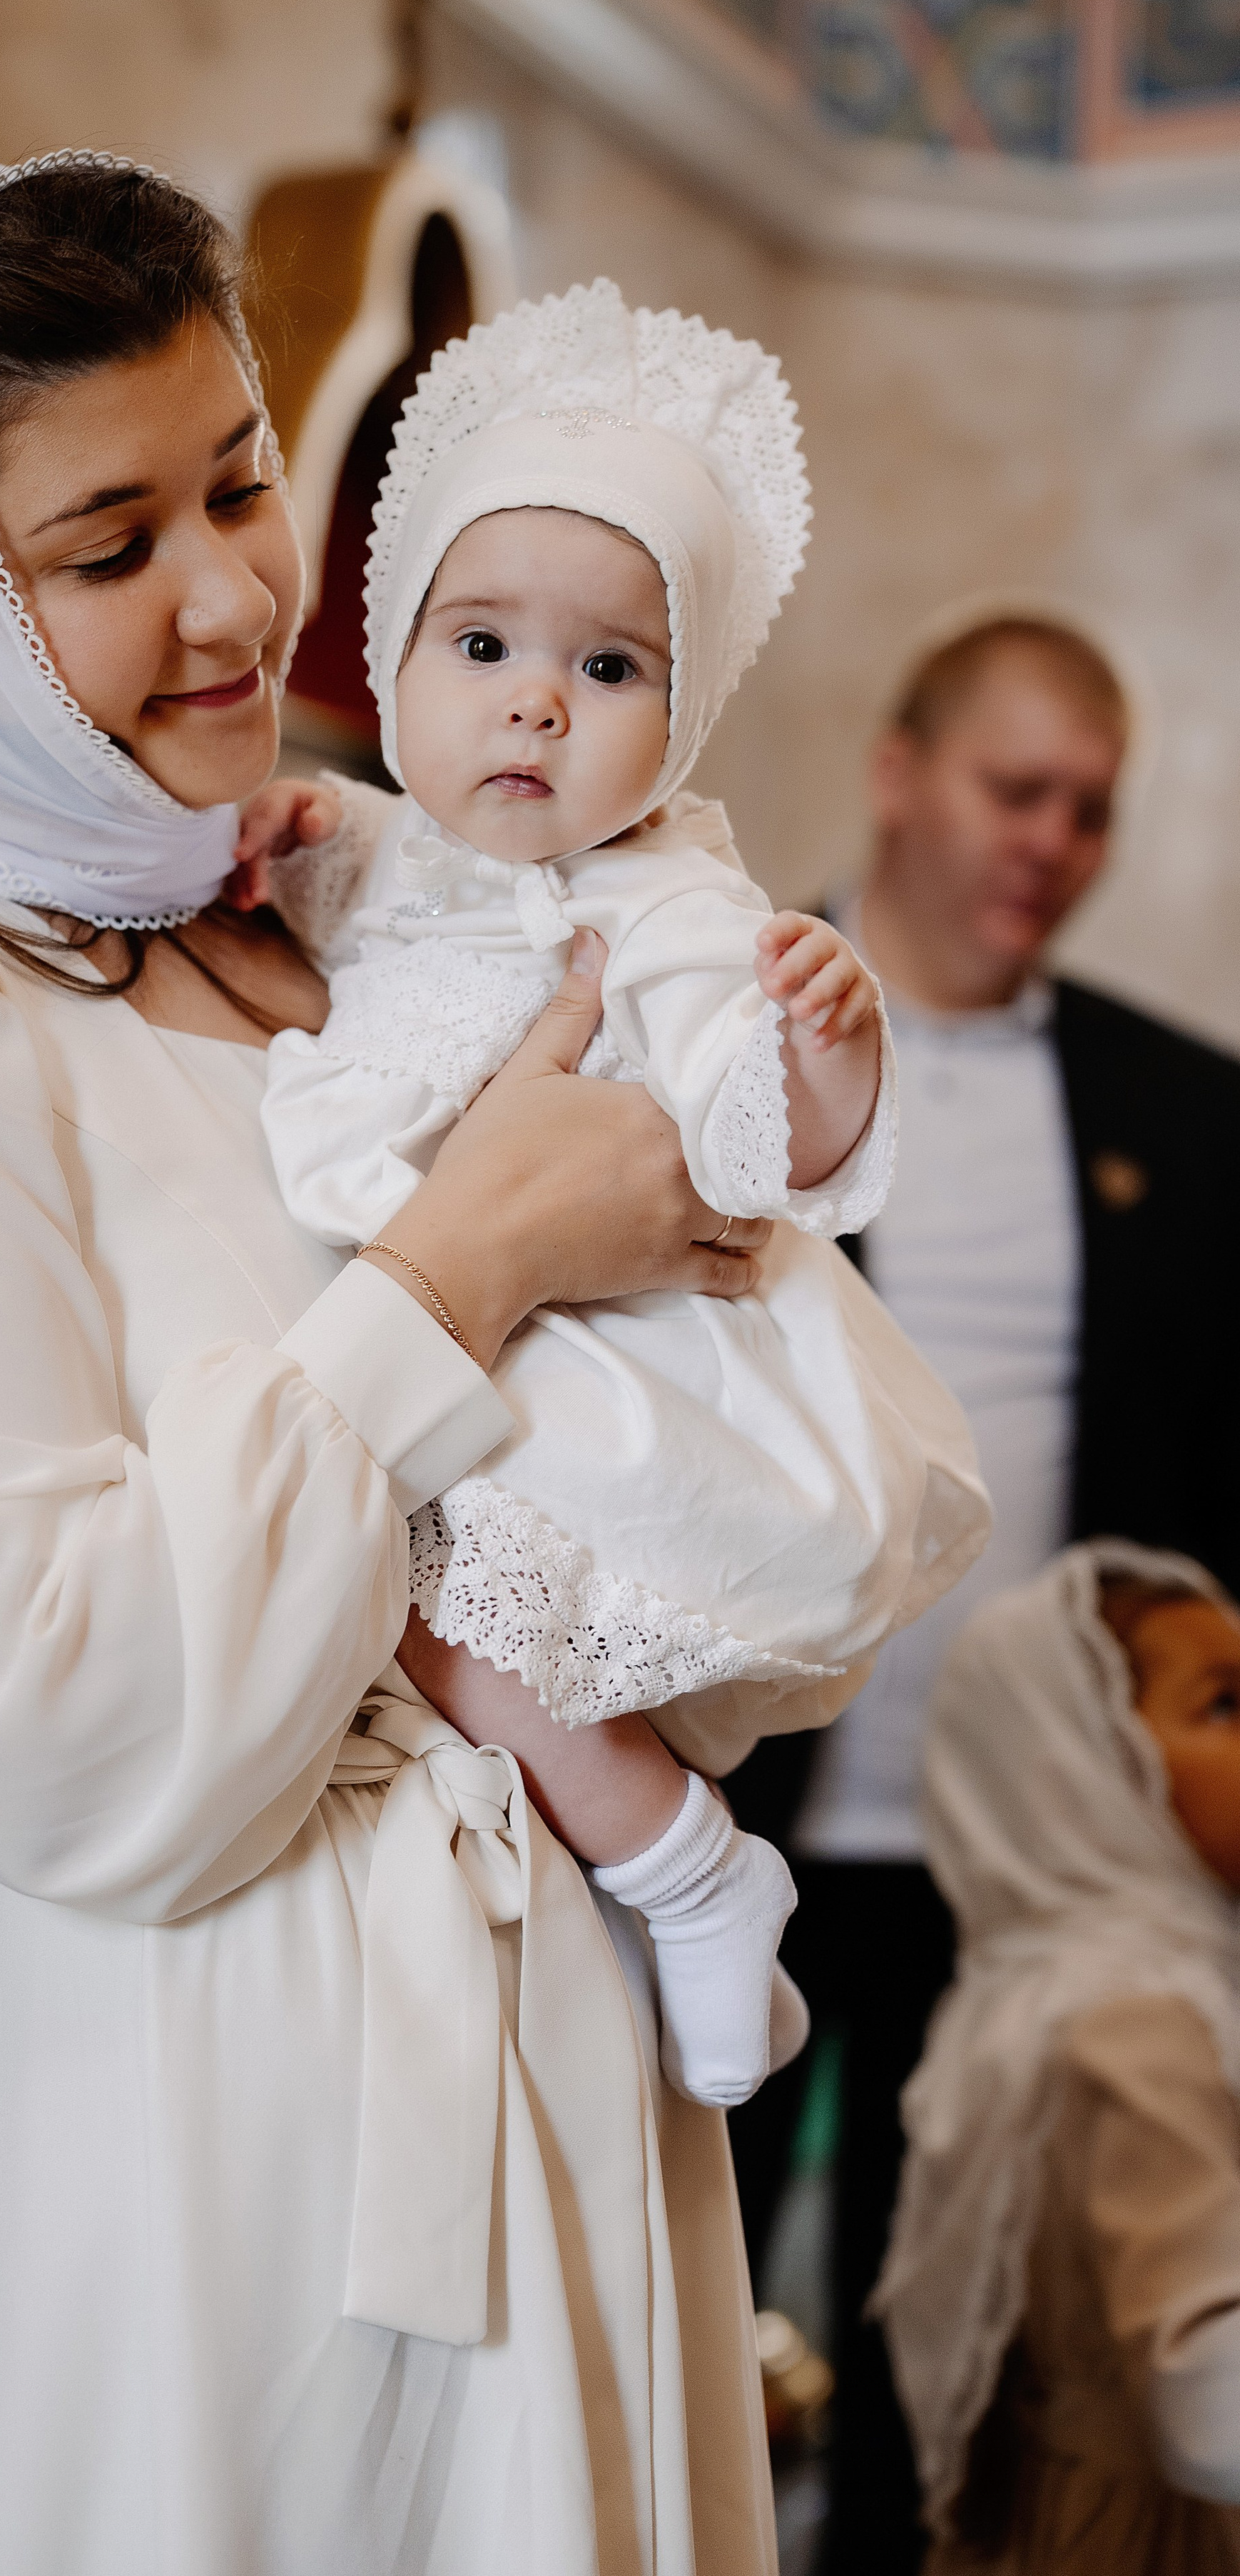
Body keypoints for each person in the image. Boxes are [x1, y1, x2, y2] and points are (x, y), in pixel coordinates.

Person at [0, 152, 860, 2572]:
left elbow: (678, 1503)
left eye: (245, 484)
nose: (229, 601)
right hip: (205, 2168)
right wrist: (465, 1264)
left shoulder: (343, 886)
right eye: (106, 546)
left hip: (566, 2080)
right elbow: (63, 1723)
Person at [238, 283, 987, 2111]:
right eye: (478, 644)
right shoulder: (368, 847)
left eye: (605, 670)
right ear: (390, 650)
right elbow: (329, 878)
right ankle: (659, 1877)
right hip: (445, 1333)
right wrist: (285, 832)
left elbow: (747, 1161)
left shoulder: (659, 903)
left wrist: (816, 1049)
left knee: (444, 1603)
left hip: (597, 1365)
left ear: (679, 716)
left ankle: (687, 1869)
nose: (532, 710)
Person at [725, 607, 1240, 2569]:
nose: (1053, 840)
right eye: (1017, 788)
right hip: (731, 1835)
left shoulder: (1188, 1118)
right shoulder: (701, 1014)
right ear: (899, 770)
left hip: (1017, 1867)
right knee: (687, 2317)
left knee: (936, 2368)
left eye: (1092, 811)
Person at [875, 1541, 1240, 2573]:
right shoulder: (1143, 2025)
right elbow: (1211, 2403)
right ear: (1077, 1768)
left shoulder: (1036, 1989)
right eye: (1221, 1704)